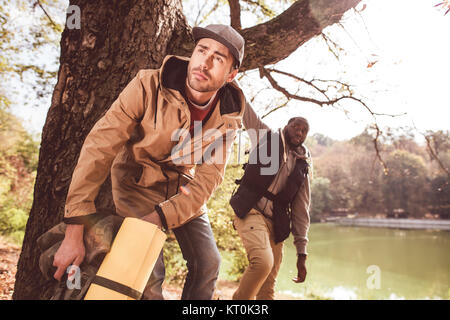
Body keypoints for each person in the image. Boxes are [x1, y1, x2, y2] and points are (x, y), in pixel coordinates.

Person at [52, 24, 246, 300]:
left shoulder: (229, 117)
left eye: (219, 58)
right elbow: (99, 147)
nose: (205, 62)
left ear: (231, 74)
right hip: (137, 184)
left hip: (184, 191)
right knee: (149, 279)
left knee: (208, 264)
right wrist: (75, 228)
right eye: (202, 50)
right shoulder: (147, 84)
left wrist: (162, 216)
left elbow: (208, 179)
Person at [230, 104, 312, 300]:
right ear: (286, 126)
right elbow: (246, 109)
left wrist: (302, 254)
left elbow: (301, 210)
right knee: (262, 263)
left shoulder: (302, 166)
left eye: (304, 130)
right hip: (251, 211)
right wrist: (231, 77)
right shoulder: (265, 136)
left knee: (267, 287)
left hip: (277, 224)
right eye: (296, 126)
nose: (299, 132)